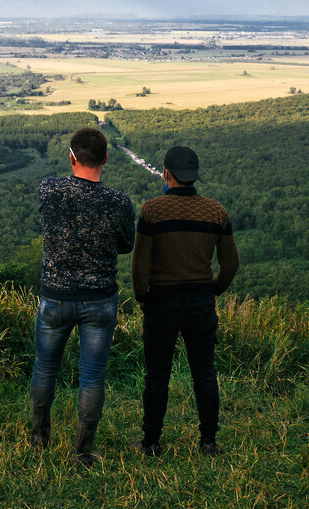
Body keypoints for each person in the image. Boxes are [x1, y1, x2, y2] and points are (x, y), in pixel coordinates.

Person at [30, 127, 135, 464]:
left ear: (71, 158)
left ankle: (38, 437)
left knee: (45, 369)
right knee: (92, 376)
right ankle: (84, 450)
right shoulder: (119, 202)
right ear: (105, 159)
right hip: (99, 299)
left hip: (55, 295)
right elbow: (125, 245)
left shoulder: (50, 187)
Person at [130, 146, 240, 457]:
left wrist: (142, 296)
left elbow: (140, 264)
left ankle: (150, 442)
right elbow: (231, 262)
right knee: (204, 371)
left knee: (157, 374)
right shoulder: (216, 212)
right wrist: (215, 289)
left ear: (166, 174)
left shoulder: (152, 211)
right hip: (200, 301)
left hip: (162, 300)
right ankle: (208, 441)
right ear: (195, 176)